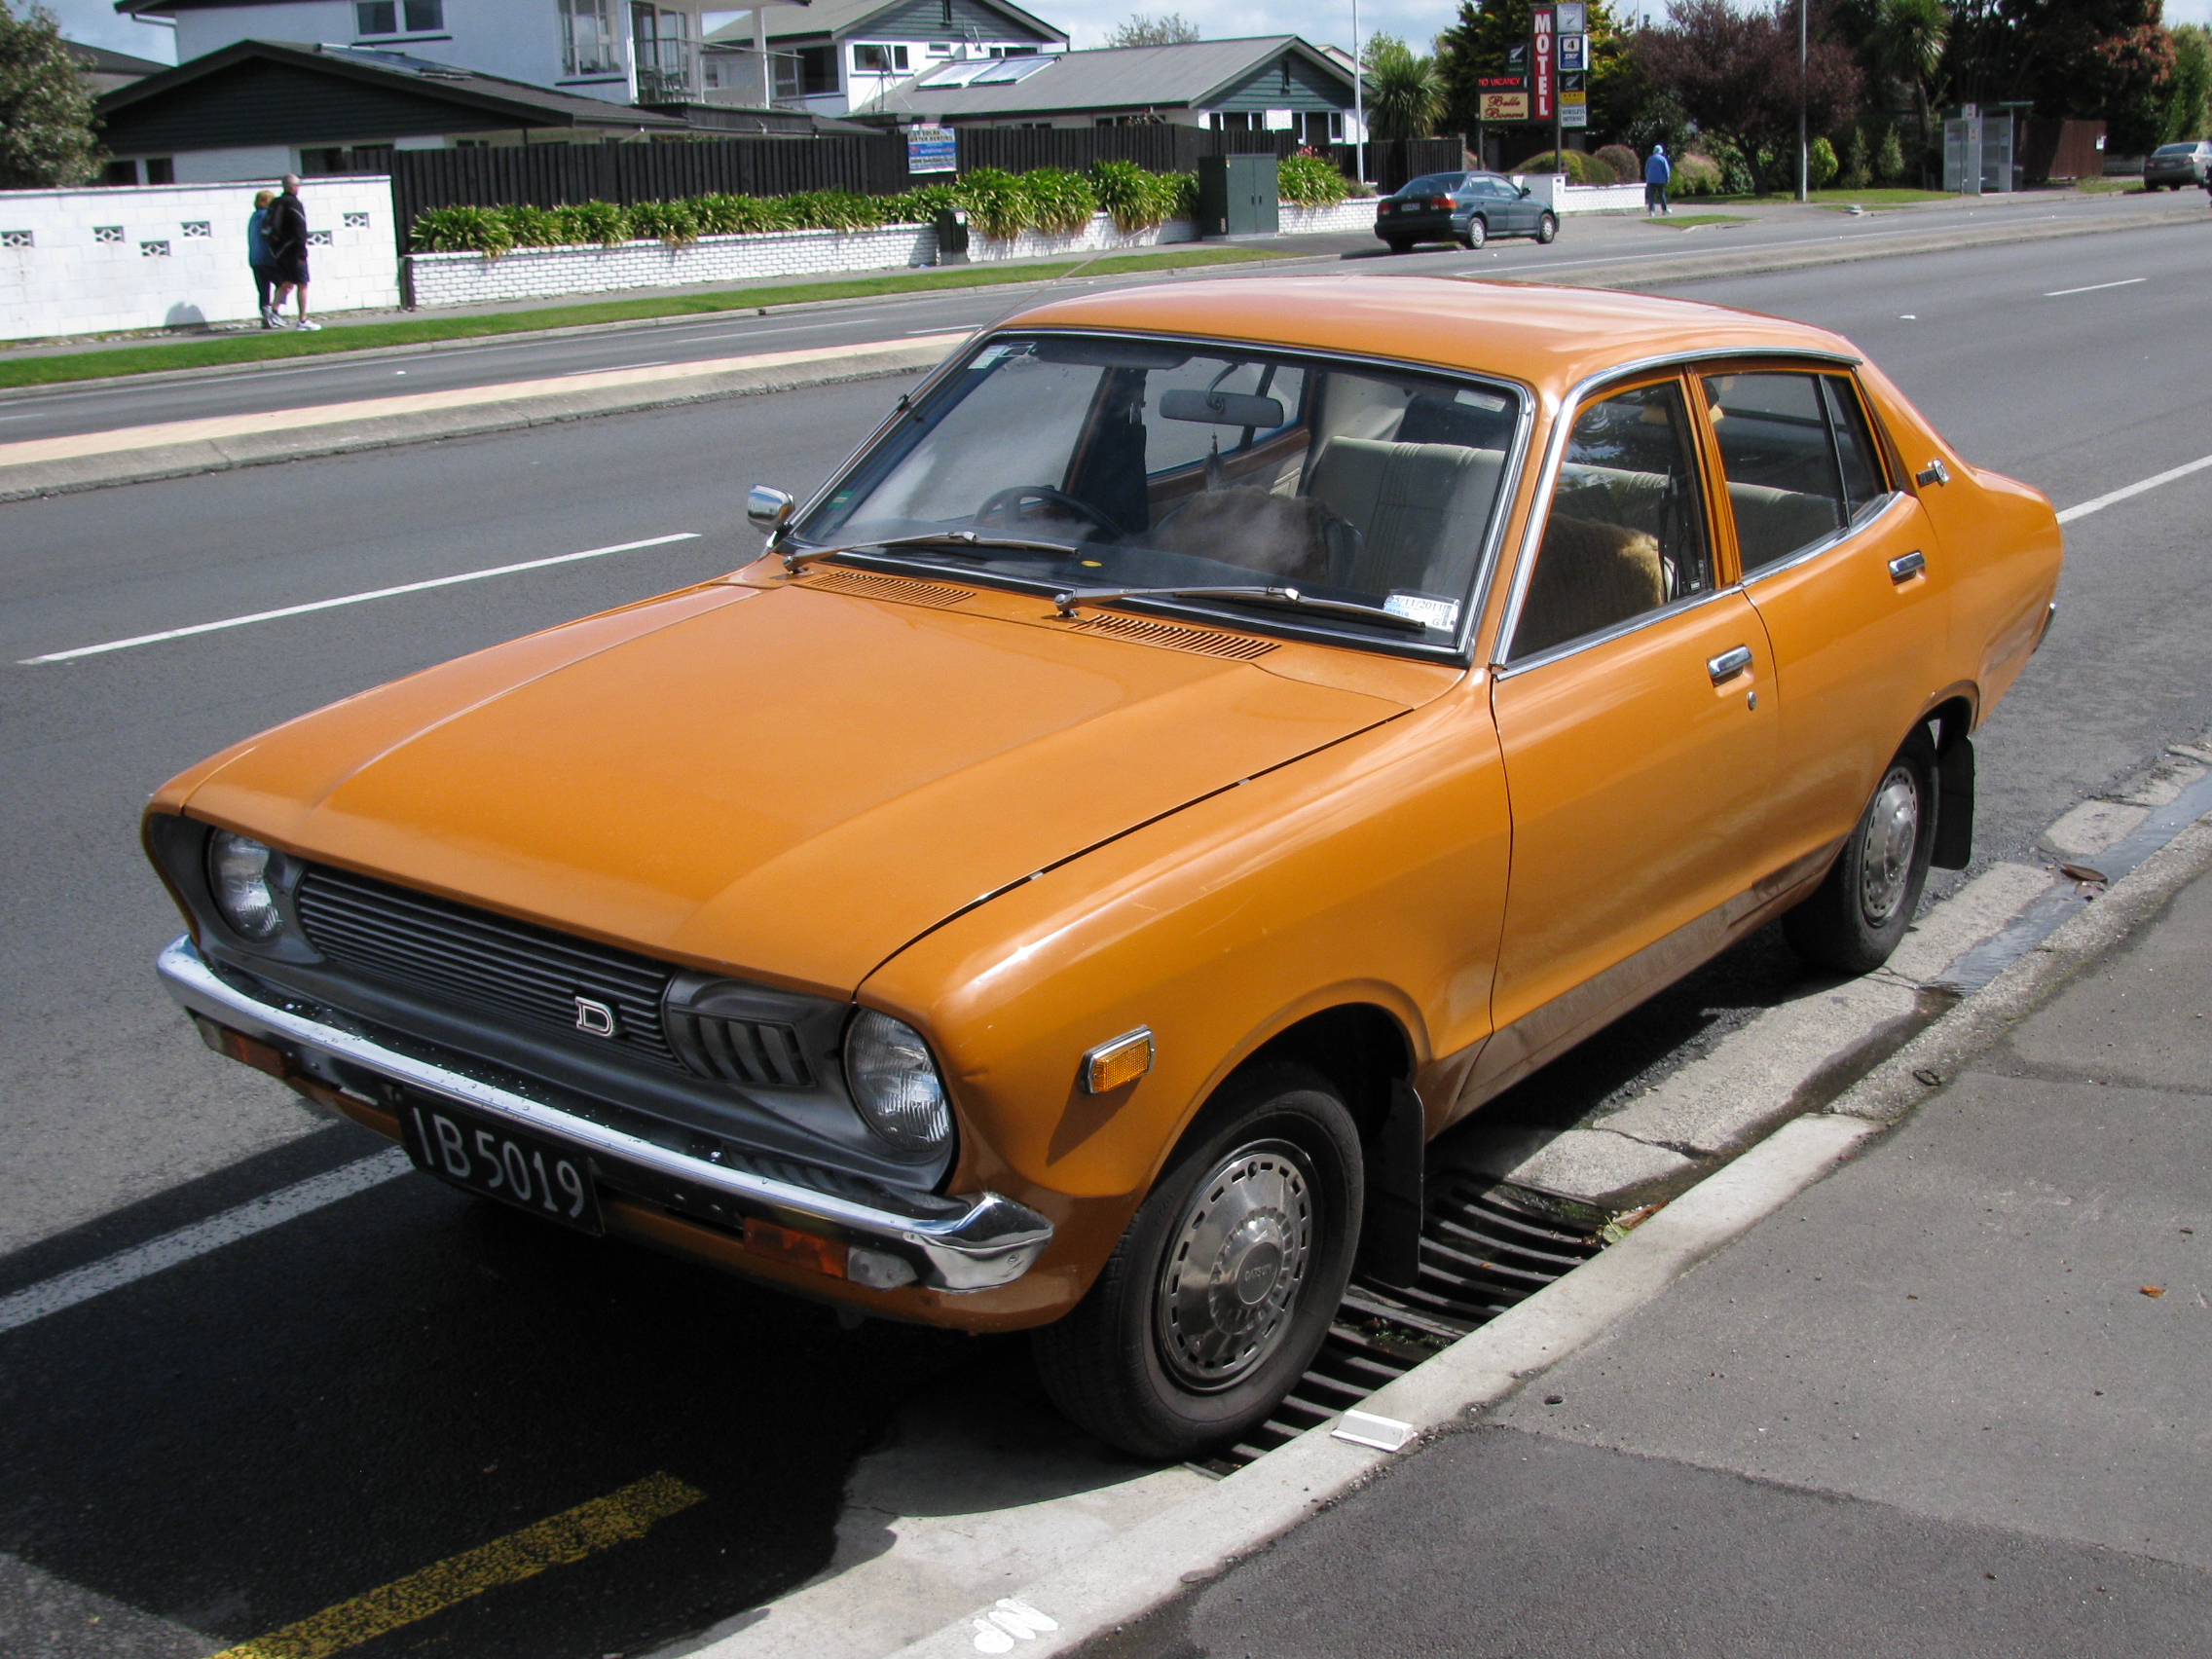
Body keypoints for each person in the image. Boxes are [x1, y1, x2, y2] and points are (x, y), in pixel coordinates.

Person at [265, 174, 320, 331]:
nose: (298, 188)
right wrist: (302, 252)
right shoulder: (294, 204)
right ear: (292, 187)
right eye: (297, 185)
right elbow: (300, 229)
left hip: (279, 251)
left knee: (286, 283)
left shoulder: (276, 203)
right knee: (303, 284)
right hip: (294, 251)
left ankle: (273, 310)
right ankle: (303, 320)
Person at [246, 189, 277, 328]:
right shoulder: (267, 216)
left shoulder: (254, 217)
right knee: (283, 284)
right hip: (268, 257)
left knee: (263, 289)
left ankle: (265, 313)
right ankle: (274, 312)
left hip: (255, 259)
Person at [1644, 144, 1673, 216]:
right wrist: (1667, 179)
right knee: (1662, 195)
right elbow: (1666, 170)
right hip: (1660, 180)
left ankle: (1651, 211)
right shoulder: (1662, 159)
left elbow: (1646, 169)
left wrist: (1647, 177)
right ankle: (1664, 210)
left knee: (1651, 196)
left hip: (1650, 180)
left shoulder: (1650, 159)